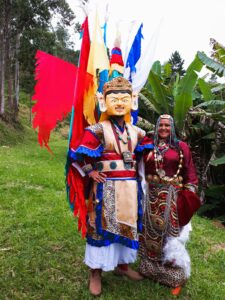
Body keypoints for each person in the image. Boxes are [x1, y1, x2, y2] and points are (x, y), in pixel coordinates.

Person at [68, 76, 153, 296]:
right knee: (100, 228)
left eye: (124, 98)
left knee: (128, 226)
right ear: (103, 101)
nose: (119, 102)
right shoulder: (97, 130)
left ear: (132, 101)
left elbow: (148, 158)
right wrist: (91, 171)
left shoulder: (138, 133)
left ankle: (122, 266)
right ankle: (95, 272)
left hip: (130, 191)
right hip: (105, 189)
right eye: (113, 97)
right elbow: (77, 156)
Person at [138, 114, 201, 294]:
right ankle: (150, 267)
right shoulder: (148, 145)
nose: (164, 128)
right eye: (161, 125)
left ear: (172, 128)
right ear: (156, 127)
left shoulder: (181, 147)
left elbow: (190, 173)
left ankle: (174, 272)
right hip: (151, 195)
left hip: (173, 197)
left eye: (167, 125)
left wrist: (188, 194)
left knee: (172, 233)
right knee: (151, 231)